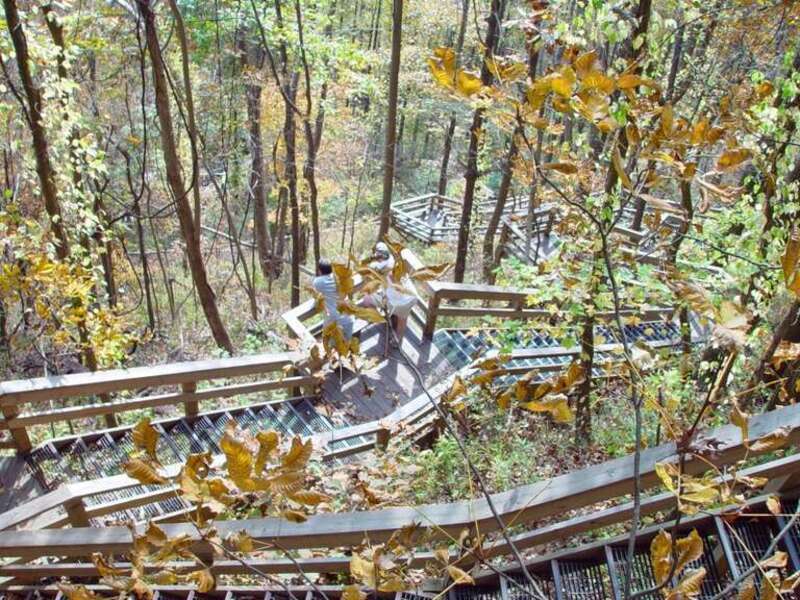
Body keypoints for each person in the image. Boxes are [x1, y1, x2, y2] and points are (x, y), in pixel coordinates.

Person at [364, 242, 417, 347]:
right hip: (406, 298)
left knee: (367, 299)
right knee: (402, 319)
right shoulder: (394, 260)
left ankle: (391, 332)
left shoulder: (386, 267)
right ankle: (397, 338)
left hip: (400, 301)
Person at [312, 259, 354, 340]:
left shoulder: (318, 282)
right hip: (348, 318)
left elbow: (317, 300)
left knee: (331, 347)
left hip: (334, 322)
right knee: (346, 347)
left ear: (320, 270)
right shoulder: (338, 277)